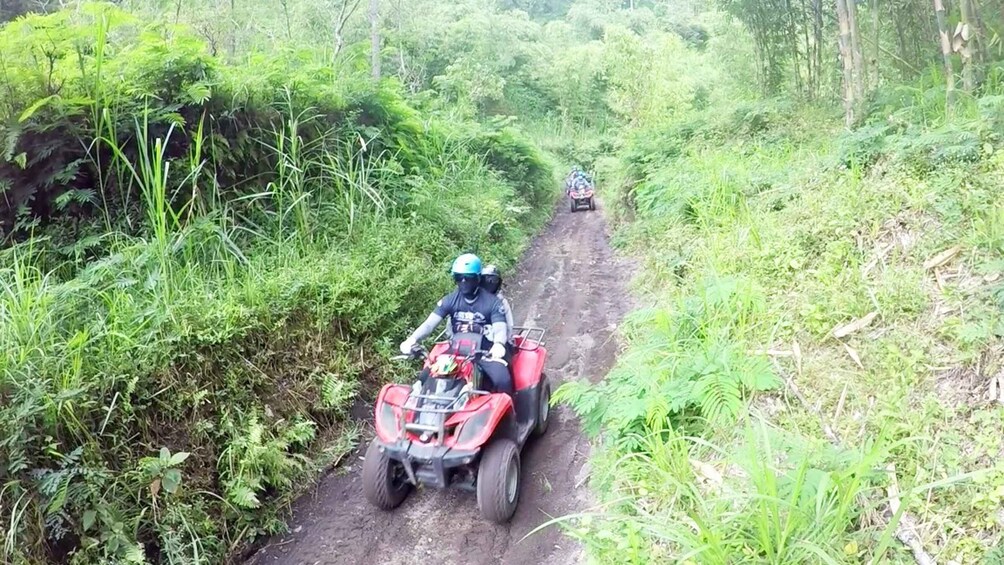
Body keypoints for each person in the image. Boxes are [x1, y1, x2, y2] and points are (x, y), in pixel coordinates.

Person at [400, 253, 513, 395]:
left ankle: (511, 415)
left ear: (478, 278)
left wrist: (499, 344)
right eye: (459, 277)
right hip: (457, 351)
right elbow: (429, 324)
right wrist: (412, 339)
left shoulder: (493, 302)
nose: (463, 281)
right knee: (424, 378)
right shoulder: (449, 300)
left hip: (485, 353)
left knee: (502, 380)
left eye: (468, 278)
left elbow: (500, 328)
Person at [480, 264, 515, 353]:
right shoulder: (472, 299)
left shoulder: (501, 302)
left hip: (496, 344)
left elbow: (508, 328)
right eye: (486, 280)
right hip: (472, 343)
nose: (490, 283)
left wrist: (499, 344)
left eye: (493, 281)